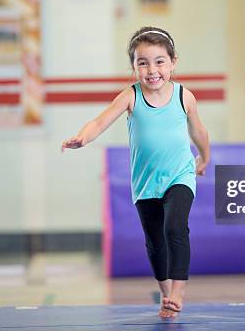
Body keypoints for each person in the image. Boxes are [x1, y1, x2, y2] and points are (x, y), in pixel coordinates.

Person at [62, 26, 210, 318]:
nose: (152, 70)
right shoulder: (130, 96)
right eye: (143, 63)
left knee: (175, 227)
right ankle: (166, 295)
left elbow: (199, 131)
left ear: (173, 62)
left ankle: (178, 291)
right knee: (155, 241)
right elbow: (100, 121)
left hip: (180, 175)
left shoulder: (184, 96)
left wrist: (205, 157)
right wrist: (83, 137)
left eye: (159, 61)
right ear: (134, 67)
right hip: (145, 184)